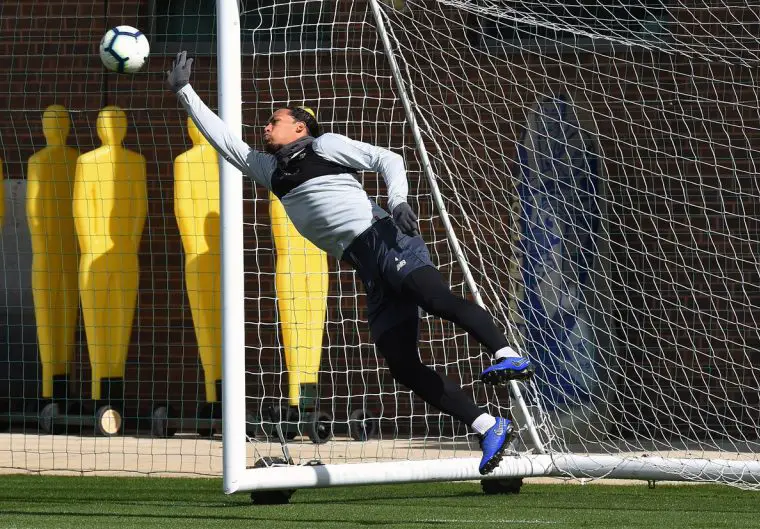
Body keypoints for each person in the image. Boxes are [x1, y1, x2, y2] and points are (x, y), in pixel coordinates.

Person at [166, 52, 534, 475]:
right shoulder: (271, 170)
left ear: (299, 127)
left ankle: (507, 353)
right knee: (401, 363)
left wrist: (398, 201)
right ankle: (488, 425)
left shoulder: (325, 145)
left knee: (433, 298)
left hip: (384, 238)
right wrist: (185, 92)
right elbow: (225, 142)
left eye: (274, 121)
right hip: (365, 265)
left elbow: (389, 159)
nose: (266, 127)